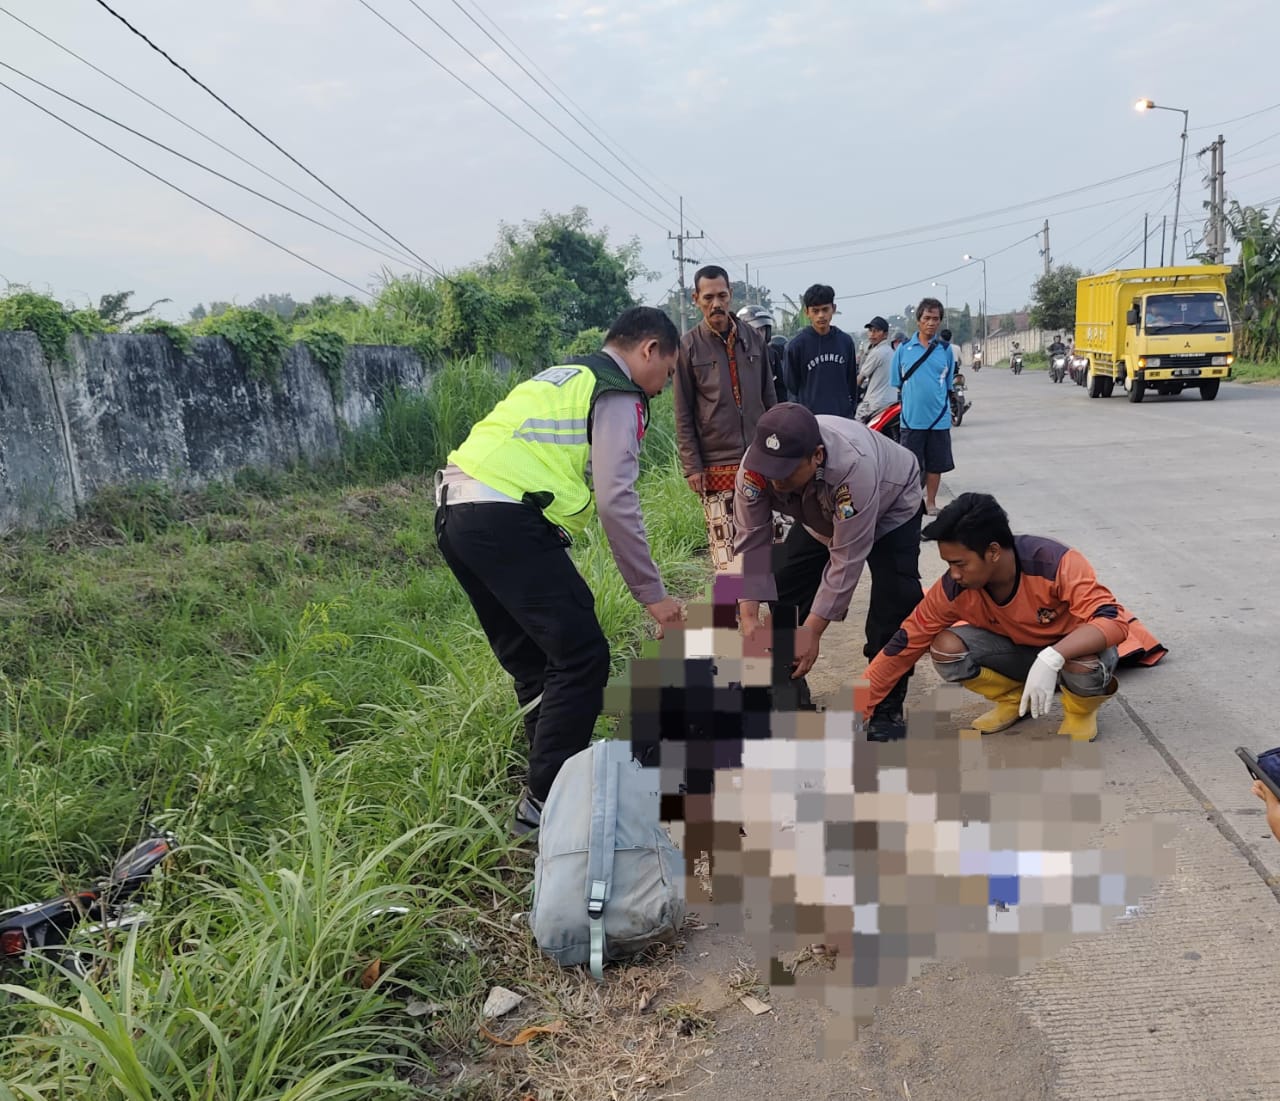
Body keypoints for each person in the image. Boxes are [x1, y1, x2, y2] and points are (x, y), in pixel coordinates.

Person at [435, 307, 686, 836]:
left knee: (537, 663)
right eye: (667, 371)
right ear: (648, 350)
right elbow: (617, 500)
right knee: (583, 655)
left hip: (456, 514)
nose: (663, 387)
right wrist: (653, 594)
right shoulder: (615, 390)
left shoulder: (566, 374)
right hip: (504, 517)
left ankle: (551, 783)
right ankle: (549, 804)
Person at [858, 493, 1167, 743]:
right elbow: (903, 645)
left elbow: (1112, 622)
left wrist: (1053, 657)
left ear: (993, 551)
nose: (953, 573)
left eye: (960, 563)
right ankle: (1013, 700)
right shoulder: (954, 588)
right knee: (944, 647)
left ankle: (1079, 711)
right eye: (948, 564)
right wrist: (857, 709)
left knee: (1083, 665)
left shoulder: (1054, 562)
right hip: (1019, 651)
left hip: (1074, 651)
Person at [731, 402, 925, 740]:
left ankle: (885, 707)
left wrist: (813, 632)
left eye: (787, 471)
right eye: (770, 470)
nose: (776, 481)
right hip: (818, 514)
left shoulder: (853, 469)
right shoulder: (754, 468)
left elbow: (846, 558)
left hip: (891, 506)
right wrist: (748, 615)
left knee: (894, 600)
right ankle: (788, 693)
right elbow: (750, 541)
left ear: (817, 456)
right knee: (786, 586)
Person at [674, 267, 779, 573]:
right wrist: (691, 466)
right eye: (708, 297)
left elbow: (769, 398)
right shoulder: (687, 347)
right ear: (696, 299)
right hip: (713, 463)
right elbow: (682, 412)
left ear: (731, 295)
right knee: (723, 546)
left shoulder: (753, 340)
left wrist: (776, 449)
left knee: (761, 537)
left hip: (756, 459)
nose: (716, 303)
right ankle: (727, 615)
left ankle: (761, 610)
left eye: (722, 296)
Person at [891, 297, 955, 516]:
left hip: (939, 419)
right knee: (911, 466)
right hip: (911, 419)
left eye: (935, 319)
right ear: (918, 320)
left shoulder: (945, 350)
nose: (931, 323)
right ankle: (911, 503)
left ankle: (931, 502)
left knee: (936, 465)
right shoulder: (903, 350)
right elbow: (897, 382)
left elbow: (947, 385)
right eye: (926, 318)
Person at [783, 284, 858, 417]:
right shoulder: (796, 346)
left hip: (842, 419)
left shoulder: (845, 342)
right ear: (807, 312)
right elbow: (791, 389)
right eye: (815, 311)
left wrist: (850, 410)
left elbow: (851, 384)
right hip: (811, 422)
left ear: (833, 309)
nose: (821, 315)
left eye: (825, 309)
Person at [737, 304, 789, 403]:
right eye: (756, 329)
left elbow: (780, 388)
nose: (759, 334)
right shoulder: (735, 355)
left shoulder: (772, 355)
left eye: (762, 330)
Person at [855, 316, 895, 422]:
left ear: (885, 334)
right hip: (890, 402)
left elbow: (860, 379)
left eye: (876, 331)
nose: (872, 334)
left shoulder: (878, 352)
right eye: (870, 331)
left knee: (854, 428)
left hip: (874, 404)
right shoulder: (890, 351)